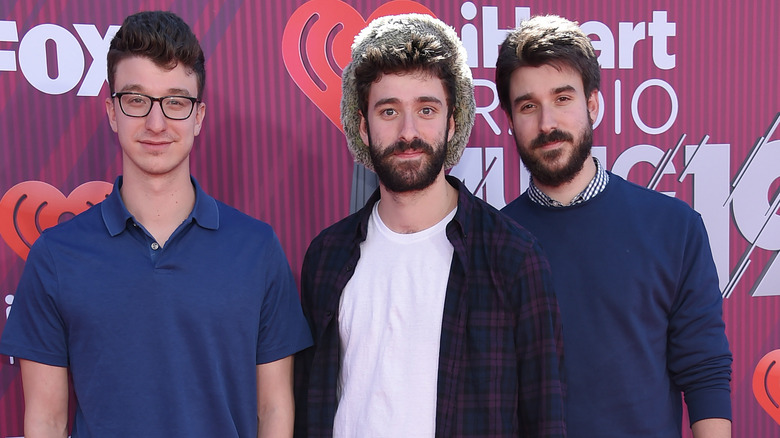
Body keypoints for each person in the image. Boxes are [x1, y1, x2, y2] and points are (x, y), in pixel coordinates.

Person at [0, 11, 312, 437]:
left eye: (176, 102)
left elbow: (273, 409)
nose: (156, 123)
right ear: (112, 112)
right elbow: (46, 420)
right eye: (136, 100)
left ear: (198, 117)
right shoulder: (56, 256)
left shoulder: (256, 249)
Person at [294, 13, 565, 438]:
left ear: (451, 122)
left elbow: (545, 419)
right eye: (389, 111)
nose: (408, 132)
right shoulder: (327, 256)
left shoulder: (512, 257)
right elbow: (308, 403)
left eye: (426, 109)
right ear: (363, 127)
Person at [495, 15, 732, 438]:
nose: (547, 123)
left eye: (563, 98)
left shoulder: (674, 228)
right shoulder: (493, 243)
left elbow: (705, 372)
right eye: (528, 105)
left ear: (592, 105)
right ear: (510, 122)